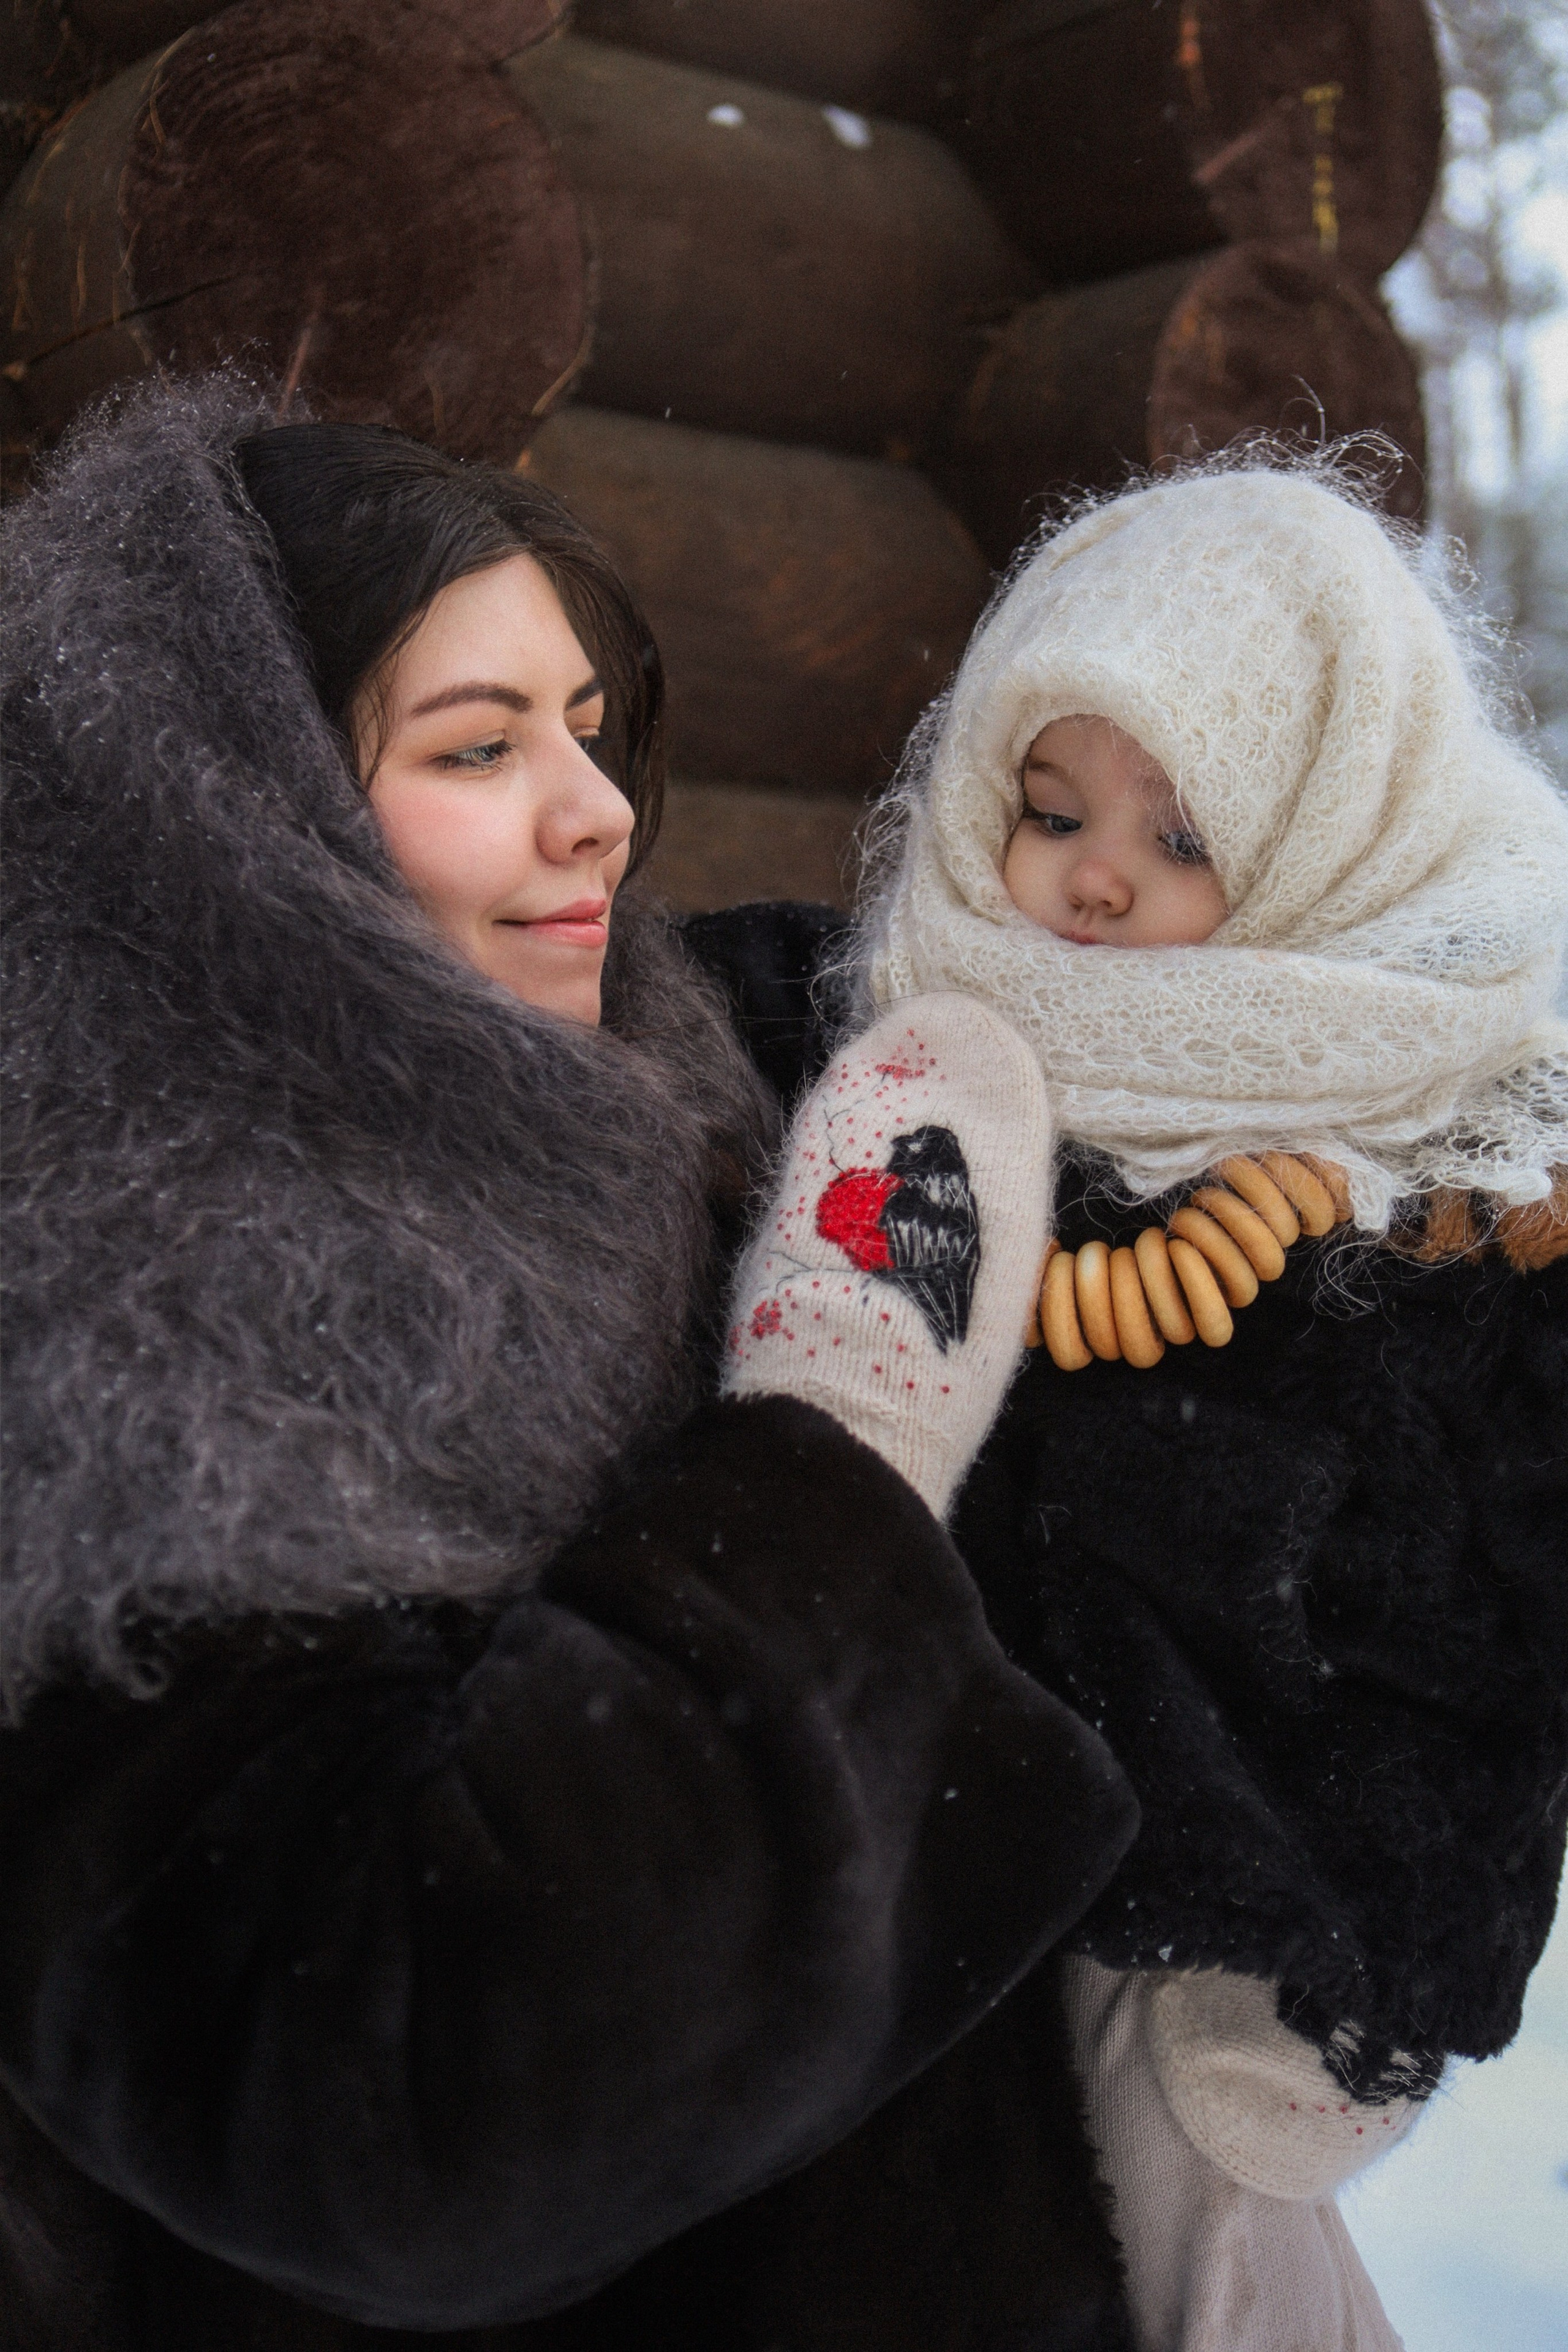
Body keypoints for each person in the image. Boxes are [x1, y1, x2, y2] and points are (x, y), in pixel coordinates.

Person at [0, 379, 1139, 2347]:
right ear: (219, 826)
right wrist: (842, 1431)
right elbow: (408, 2119)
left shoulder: (679, 1101)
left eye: (588, 729)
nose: (599, 807)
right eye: (478, 744)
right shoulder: (109, 1368)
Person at [836, 453, 1568, 2350]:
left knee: (1207, 2232)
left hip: (1264, 1887)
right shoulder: (918, 1052)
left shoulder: (1451, 1135)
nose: (1093, 877)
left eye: (1185, 837)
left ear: (1333, 843)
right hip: (954, 1853)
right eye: (1050, 809)